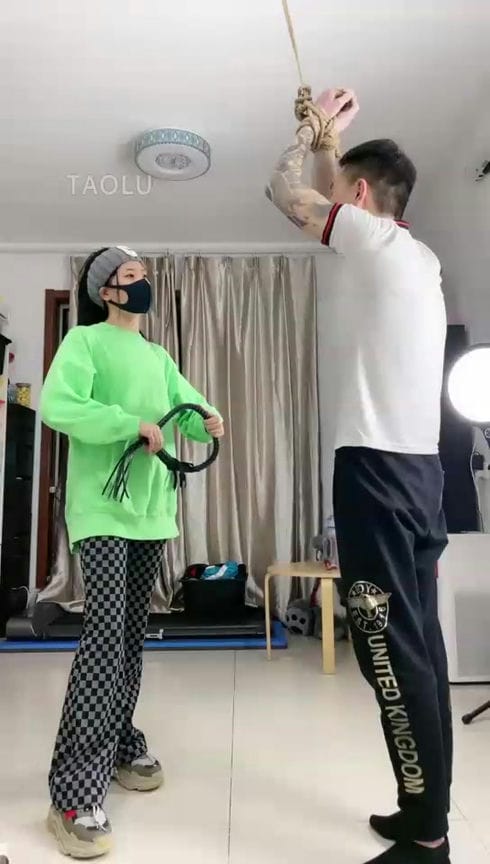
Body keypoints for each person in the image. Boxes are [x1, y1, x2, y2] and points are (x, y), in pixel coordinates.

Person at [267, 90, 451, 864]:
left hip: (375, 470)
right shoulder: (415, 255)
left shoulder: (371, 241)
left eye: (341, 187)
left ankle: (428, 840)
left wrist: (305, 136)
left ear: (363, 196)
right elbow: (325, 192)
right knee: (420, 648)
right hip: (419, 475)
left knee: (387, 654)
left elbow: (284, 192)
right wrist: (328, 146)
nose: (330, 198)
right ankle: (423, 813)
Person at [40, 246, 224, 859]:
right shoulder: (84, 343)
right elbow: (59, 406)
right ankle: (73, 794)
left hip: (151, 513)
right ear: (107, 292)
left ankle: (120, 743)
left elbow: (186, 410)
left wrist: (207, 421)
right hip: (101, 510)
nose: (142, 283)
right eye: (129, 276)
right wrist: (128, 423)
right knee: (104, 637)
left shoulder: (157, 355)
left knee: (130, 637)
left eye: (145, 275)